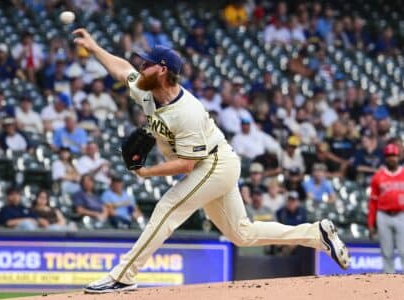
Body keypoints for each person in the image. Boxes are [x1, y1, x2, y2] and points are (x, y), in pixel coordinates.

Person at [72, 28, 349, 293]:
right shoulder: (146, 90)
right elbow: (123, 70)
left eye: (147, 63)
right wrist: (95, 48)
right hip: (213, 163)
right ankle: (316, 234)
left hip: (214, 163)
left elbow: (186, 165)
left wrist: (147, 172)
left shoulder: (187, 111)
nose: (140, 66)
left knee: (168, 207)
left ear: (163, 70)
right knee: (242, 234)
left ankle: (122, 277)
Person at [368, 143, 404, 274]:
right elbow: (372, 202)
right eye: (389, 155)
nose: (391, 158)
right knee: (386, 251)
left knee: (403, 250)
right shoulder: (378, 176)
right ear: (385, 158)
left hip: (402, 215)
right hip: (383, 215)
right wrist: (371, 224)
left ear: (398, 157)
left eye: (394, 155)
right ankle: (389, 280)